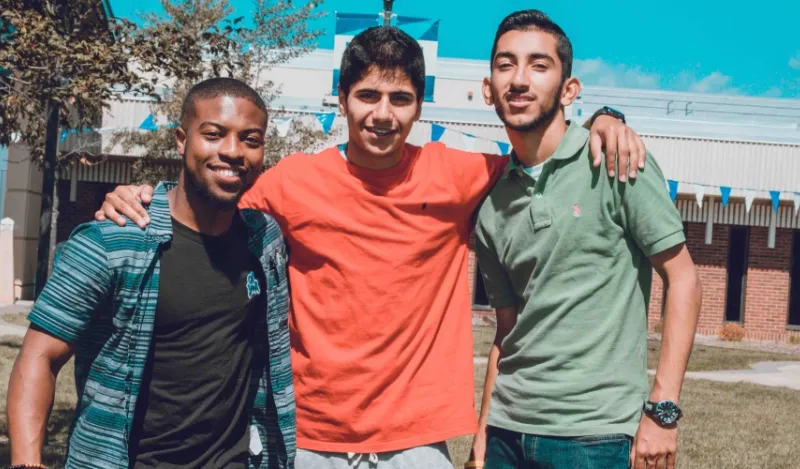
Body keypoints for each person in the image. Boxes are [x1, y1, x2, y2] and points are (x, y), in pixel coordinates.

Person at [95, 26, 647, 469]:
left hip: (419, 442)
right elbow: (209, 205)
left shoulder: (464, 175)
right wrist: (143, 196)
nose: (383, 113)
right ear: (342, 99)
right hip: (310, 436)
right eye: (368, 96)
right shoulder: (292, 183)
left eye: (400, 98)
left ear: (419, 107)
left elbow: (542, 147)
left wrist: (604, 119)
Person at [7, 78, 295, 469]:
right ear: (181, 140)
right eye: (213, 134)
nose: (232, 151)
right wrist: (27, 463)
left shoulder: (264, 241)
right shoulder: (110, 241)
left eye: (251, 139)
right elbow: (39, 358)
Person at [469, 10, 702, 469]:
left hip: (595, 436)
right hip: (507, 433)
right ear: (487, 88)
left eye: (539, 65)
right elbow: (507, 330)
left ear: (569, 89)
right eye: (505, 64)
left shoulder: (616, 160)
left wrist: (663, 410)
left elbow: (685, 281)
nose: (519, 79)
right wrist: (482, 435)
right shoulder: (491, 202)